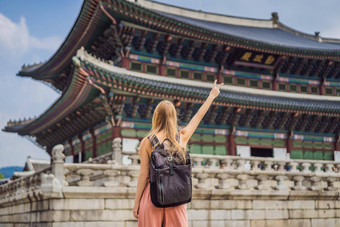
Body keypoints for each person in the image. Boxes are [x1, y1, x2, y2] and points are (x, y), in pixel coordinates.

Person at [133, 80, 224, 227]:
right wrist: (211, 96)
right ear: (173, 116)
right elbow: (198, 117)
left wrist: (137, 202)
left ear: (156, 116)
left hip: (152, 197)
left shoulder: (147, 142)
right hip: (177, 197)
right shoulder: (181, 137)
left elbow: (144, 175)